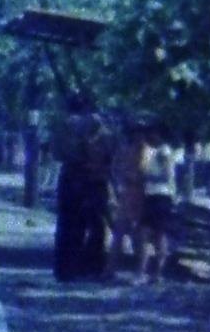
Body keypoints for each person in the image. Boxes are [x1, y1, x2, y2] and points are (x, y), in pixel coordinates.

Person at [52, 93, 114, 282]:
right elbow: (110, 149)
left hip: (70, 176)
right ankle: (91, 266)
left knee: (68, 224)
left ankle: (64, 268)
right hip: (94, 178)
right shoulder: (100, 125)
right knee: (96, 224)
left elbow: (56, 152)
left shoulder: (62, 125)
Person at [137, 125, 179, 284]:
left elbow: (167, 176)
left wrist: (147, 178)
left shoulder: (164, 152)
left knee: (158, 235)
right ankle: (147, 272)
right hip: (153, 196)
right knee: (148, 234)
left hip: (161, 196)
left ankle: (155, 273)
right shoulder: (154, 151)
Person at [107, 120, 147, 278]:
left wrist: (127, 178)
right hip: (129, 194)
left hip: (140, 195)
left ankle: (139, 271)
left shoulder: (144, 150)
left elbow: (144, 173)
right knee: (120, 233)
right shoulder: (127, 150)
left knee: (139, 235)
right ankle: (111, 270)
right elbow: (115, 168)